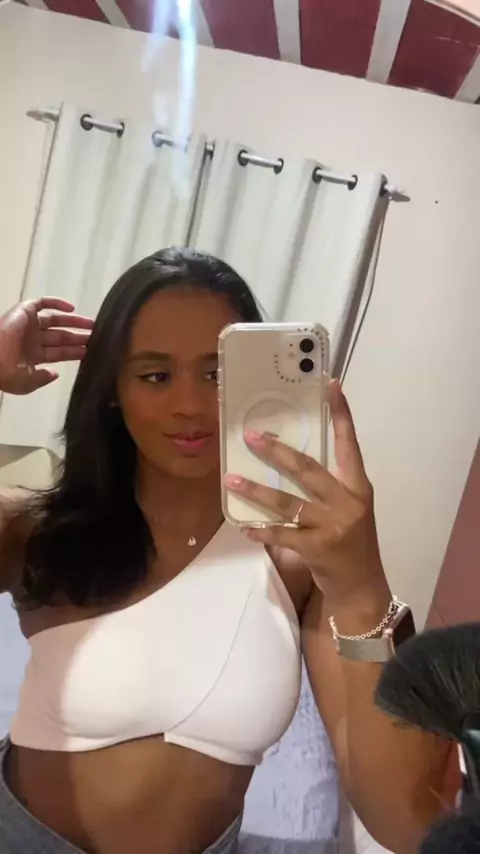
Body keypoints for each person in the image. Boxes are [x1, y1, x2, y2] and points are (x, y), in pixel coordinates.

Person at [0, 247, 451, 854]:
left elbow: (406, 823)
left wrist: (363, 584)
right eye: (155, 376)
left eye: (217, 374)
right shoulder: (38, 531)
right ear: (112, 391)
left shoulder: (300, 564)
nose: (190, 405)